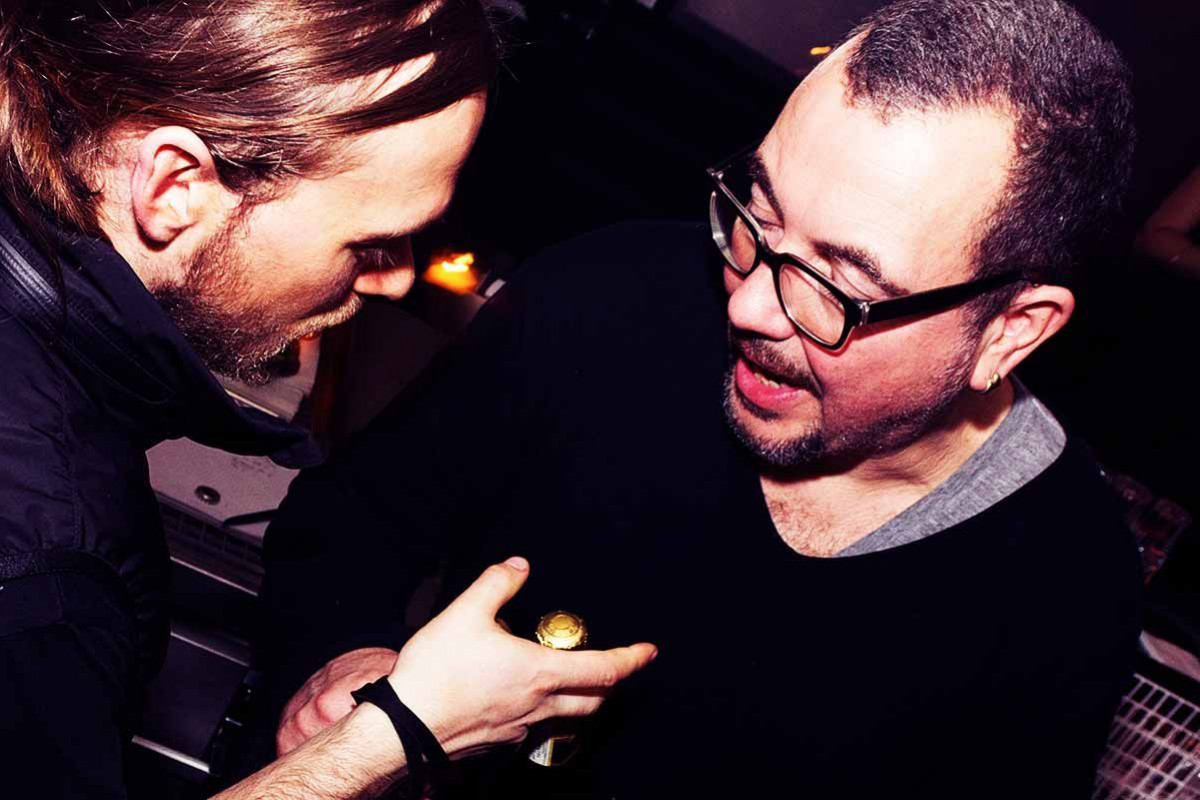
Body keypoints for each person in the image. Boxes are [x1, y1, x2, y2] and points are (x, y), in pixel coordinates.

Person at [257, 0, 1144, 796]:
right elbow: (349, 522)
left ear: (1010, 330)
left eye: (840, 286)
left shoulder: (1066, 590)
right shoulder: (608, 292)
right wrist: (342, 662)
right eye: (757, 214)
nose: (749, 304)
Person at [0, 2, 654, 798]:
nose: (397, 278)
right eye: (368, 243)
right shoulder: (41, 577)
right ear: (174, 187)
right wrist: (400, 733)